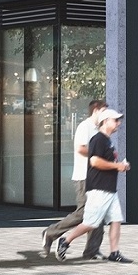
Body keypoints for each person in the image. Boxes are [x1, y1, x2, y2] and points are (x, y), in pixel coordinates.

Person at [57, 109, 135, 264]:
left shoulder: (107, 140)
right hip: (98, 189)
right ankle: (65, 240)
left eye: (119, 120)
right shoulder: (98, 139)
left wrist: (120, 166)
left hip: (109, 190)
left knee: (116, 220)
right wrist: (116, 166)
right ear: (105, 121)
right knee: (91, 223)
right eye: (115, 120)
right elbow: (95, 162)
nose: (118, 123)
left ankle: (114, 252)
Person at [41, 98, 107, 259]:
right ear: (96, 110)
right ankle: (50, 233)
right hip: (84, 177)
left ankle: (91, 251)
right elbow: (81, 148)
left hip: (97, 177)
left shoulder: (99, 129)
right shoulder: (85, 127)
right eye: (104, 111)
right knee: (84, 213)